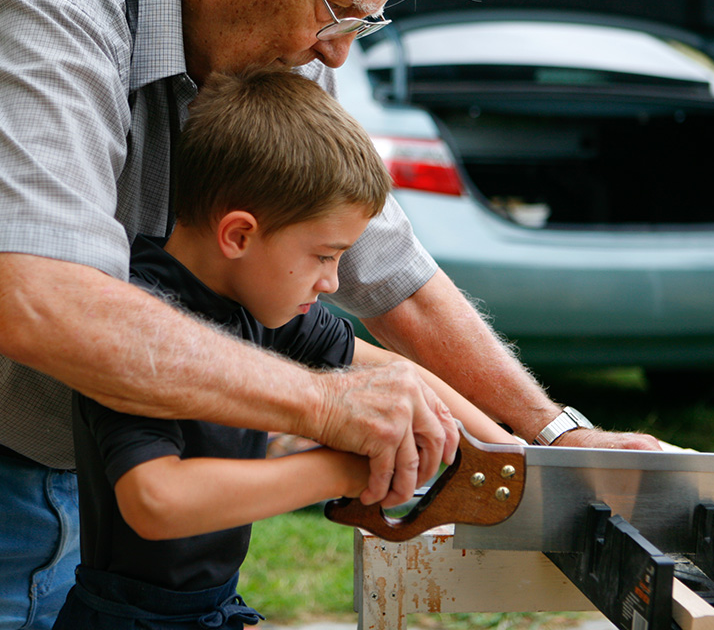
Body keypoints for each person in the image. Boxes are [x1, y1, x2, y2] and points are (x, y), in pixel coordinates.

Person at [0, 0, 659, 626]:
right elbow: (40, 305)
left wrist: (554, 438)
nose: (337, 55)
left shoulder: (276, 39)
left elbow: (387, 269)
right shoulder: (45, 4)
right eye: (338, 13)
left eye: (364, 24)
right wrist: (333, 410)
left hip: (89, 488)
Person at [54, 66, 520, 629]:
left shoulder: (258, 300)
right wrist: (345, 473)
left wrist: (509, 458)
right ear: (240, 235)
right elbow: (155, 501)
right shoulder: (138, 319)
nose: (331, 281)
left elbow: (397, 373)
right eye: (325, 255)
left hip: (210, 609)